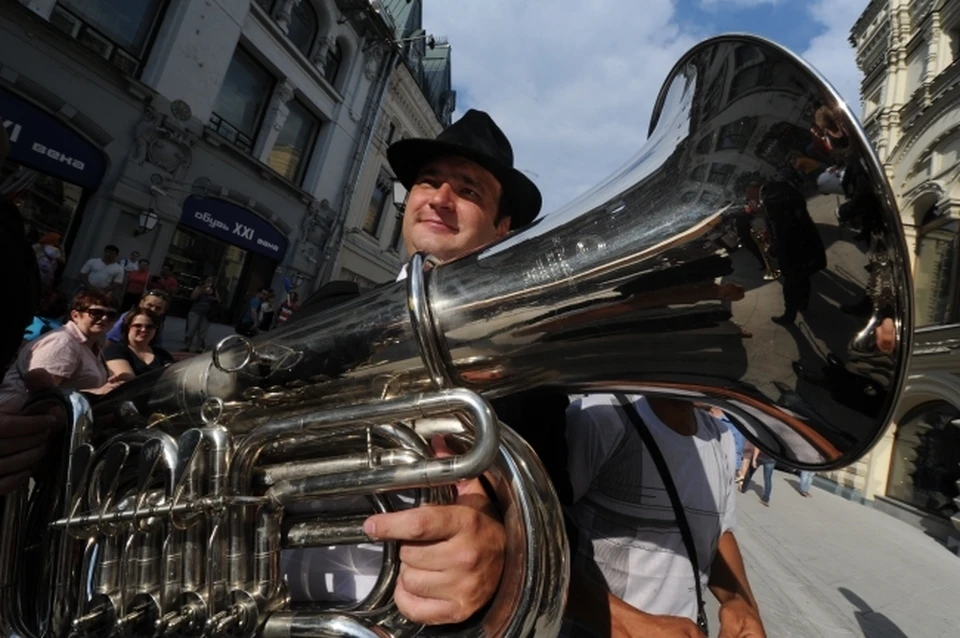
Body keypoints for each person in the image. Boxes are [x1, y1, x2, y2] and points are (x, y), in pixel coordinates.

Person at [286, 110, 548, 625]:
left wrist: (502, 542)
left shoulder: (529, 365)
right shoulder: (334, 304)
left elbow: (553, 517)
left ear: (501, 229)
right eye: (429, 181)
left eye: (469, 191)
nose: (440, 198)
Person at [561, 394, 764, 636]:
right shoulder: (599, 419)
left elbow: (718, 534)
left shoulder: (721, 438)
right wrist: (632, 625)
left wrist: (740, 601)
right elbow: (525, 550)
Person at [0, 290, 124, 412]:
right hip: (18, 414)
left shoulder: (94, 344)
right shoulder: (63, 342)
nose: (104, 318)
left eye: (111, 315)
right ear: (75, 315)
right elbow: (40, 395)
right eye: (96, 313)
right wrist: (95, 393)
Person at [104, 308, 174, 379]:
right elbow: (127, 381)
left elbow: (174, 377)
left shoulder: (161, 353)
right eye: (137, 325)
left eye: (149, 327)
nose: (143, 330)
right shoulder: (114, 350)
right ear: (127, 327)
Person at [185, 276, 220, 352]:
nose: (209, 282)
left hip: (207, 313)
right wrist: (202, 289)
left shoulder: (214, 290)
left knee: (202, 332)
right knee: (191, 329)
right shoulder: (199, 288)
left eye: (211, 281)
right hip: (196, 311)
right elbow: (193, 297)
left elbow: (218, 300)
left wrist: (212, 297)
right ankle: (187, 346)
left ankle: (198, 348)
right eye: (208, 280)